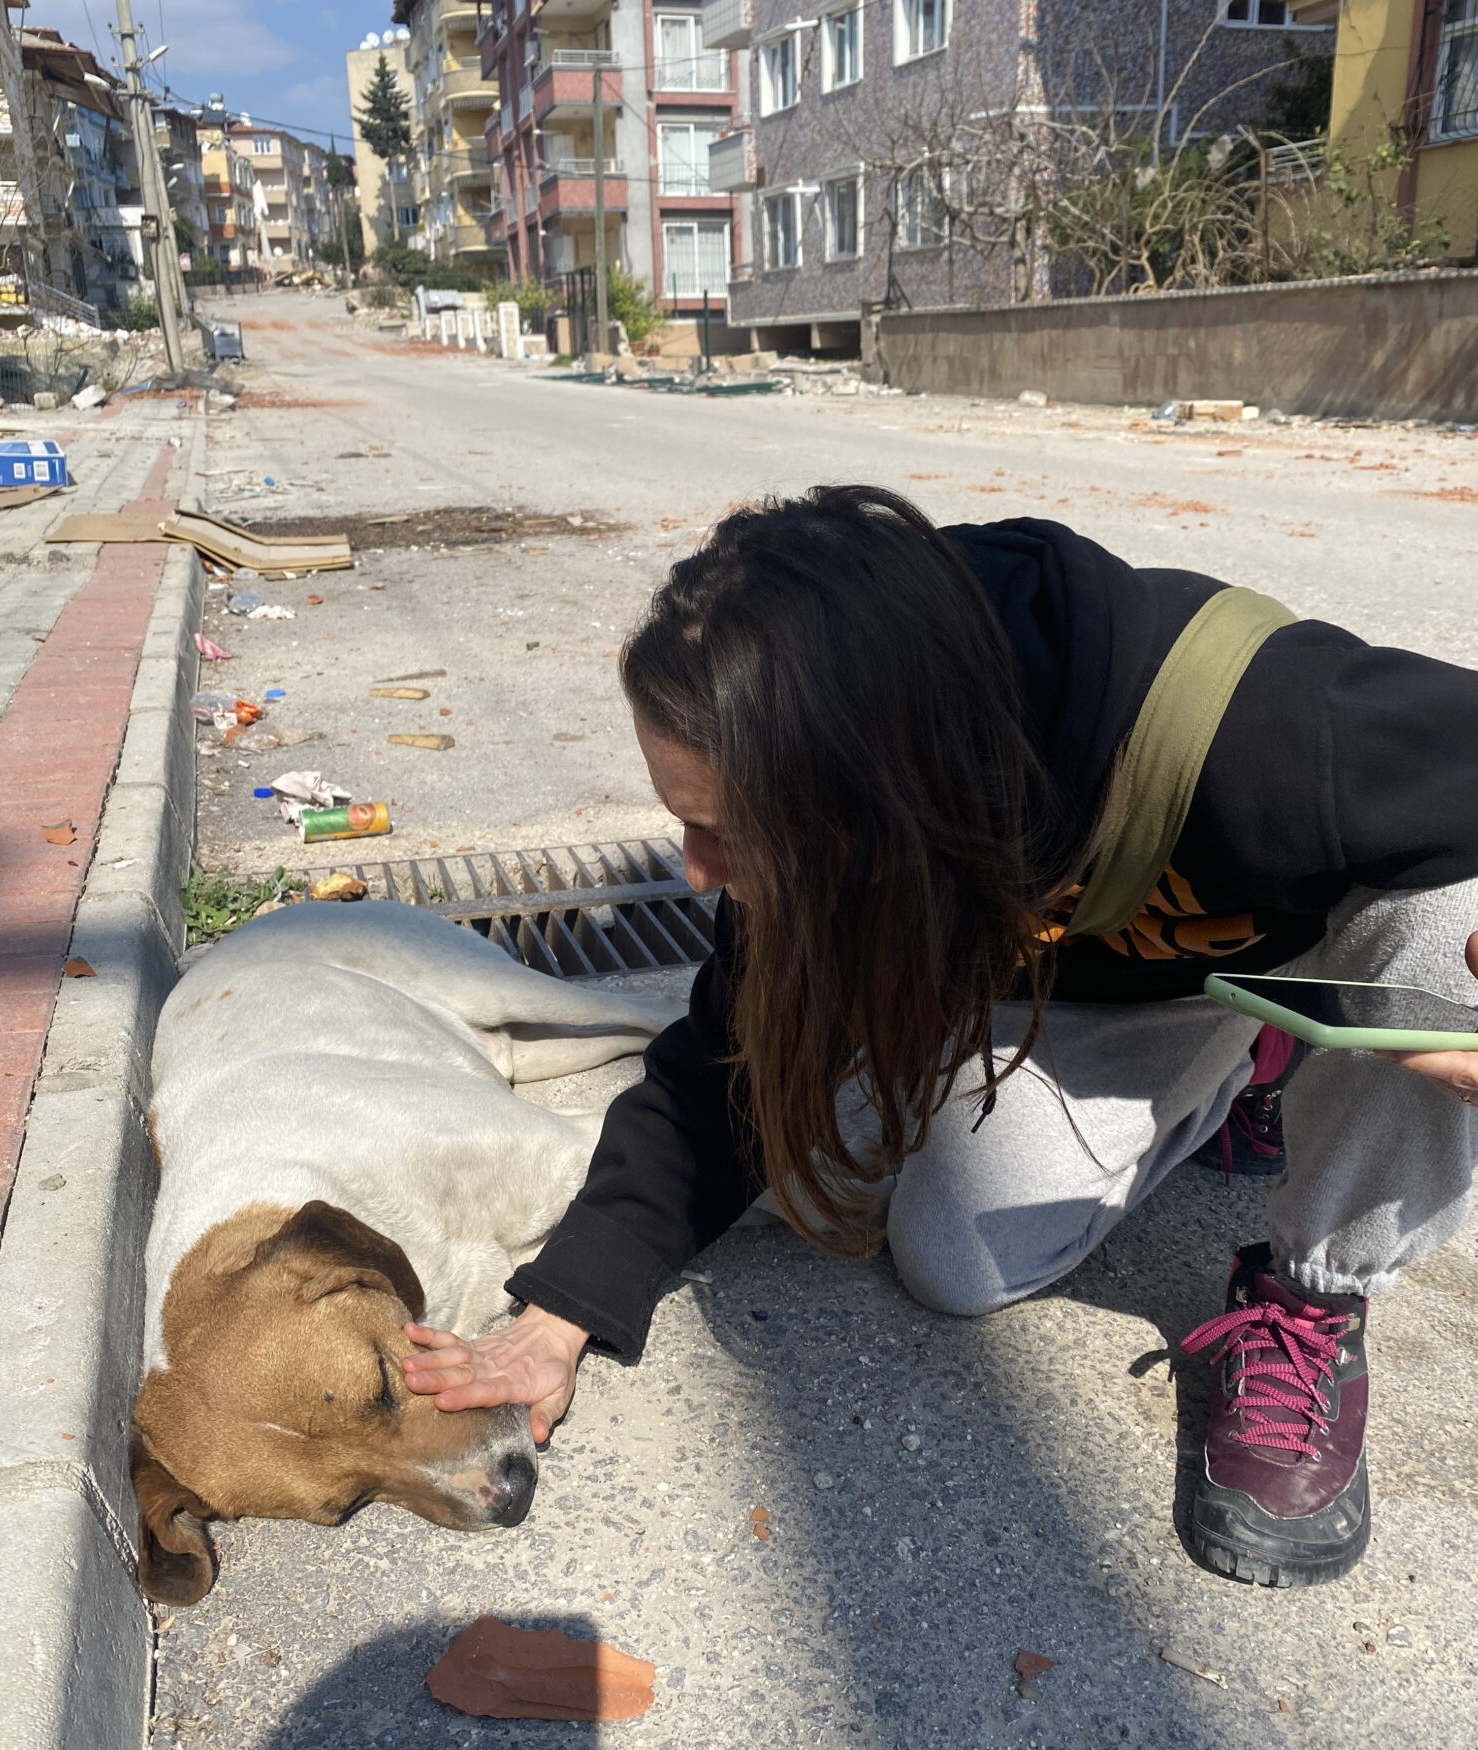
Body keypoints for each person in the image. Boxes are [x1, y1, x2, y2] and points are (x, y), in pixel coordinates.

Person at [402, 487, 1478, 1588]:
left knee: (1457, 919)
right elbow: (729, 1064)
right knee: (951, 1249)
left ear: (883, 789)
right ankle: (1250, 1070)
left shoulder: (1276, 735)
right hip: (1109, 987)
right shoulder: (822, 769)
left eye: (723, 831)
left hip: (1275, 942)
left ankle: (1312, 1289)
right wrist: (565, 1308)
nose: (692, 872)